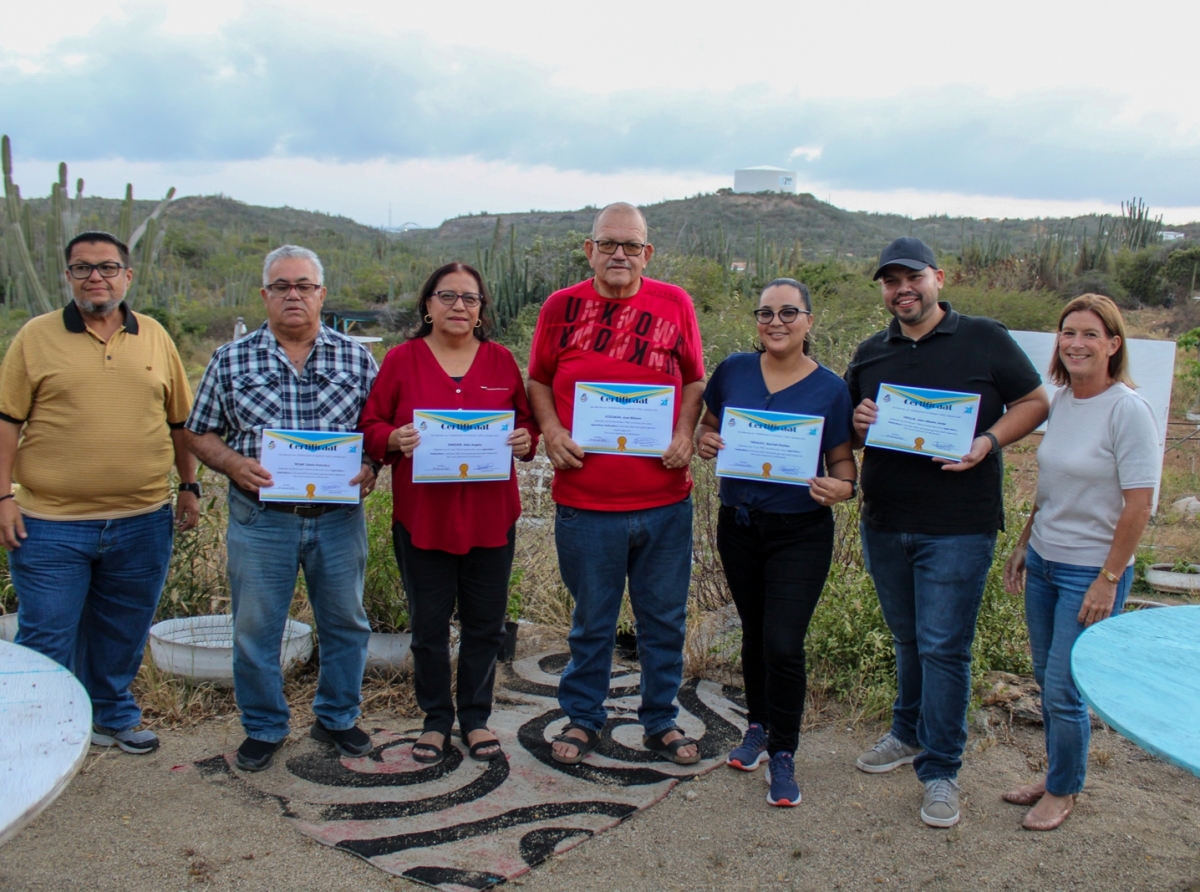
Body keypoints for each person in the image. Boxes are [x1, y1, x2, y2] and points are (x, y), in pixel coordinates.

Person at [845, 237, 1049, 827]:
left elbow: (1036, 402)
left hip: (958, 527)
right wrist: (858, 423)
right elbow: (854, 433)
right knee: (909, 640)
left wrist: (987, 441)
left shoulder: (985, 337)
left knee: (944, 648)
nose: (902, 289)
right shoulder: (870, 352)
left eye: (912, 277)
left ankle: (941, 770)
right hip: (885, 522)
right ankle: (907, 732)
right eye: (890, 281)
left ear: (938, 278)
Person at [0, 230, 198, 755]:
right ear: (68, 277)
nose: (96, 277)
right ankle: (39, 737)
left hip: (141, 519)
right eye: (83, 268)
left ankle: (110, 714)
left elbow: (180, 422)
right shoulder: (35, 337)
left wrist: (189, 486)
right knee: (47, 634)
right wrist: (2, 496)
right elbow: (6, 422)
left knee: (123, 629)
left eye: (108, 267)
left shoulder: (154, 336)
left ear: (127, 276)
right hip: (48, 523)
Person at [184, 245, 379, 772]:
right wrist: (231, 464)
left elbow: (377, 431)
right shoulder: (231, 359)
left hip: (337, 520)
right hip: (260, 518)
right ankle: (265, 727)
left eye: (304, 286)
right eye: (281, 286)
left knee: (346, 622)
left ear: (321, 294)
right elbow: (197, 432)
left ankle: (337, 716)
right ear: (265, 295)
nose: (293, 295)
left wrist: (373, 466)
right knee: (256, 629)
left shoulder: (357, 358)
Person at [527, 202, 705, 765]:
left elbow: (696, 379)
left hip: (664, 502)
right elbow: (538, 379)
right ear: (590, 249)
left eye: (631, 245)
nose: (620, 254)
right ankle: (583, 717)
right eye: (609, 244)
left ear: (647, 252)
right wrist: (551, 428)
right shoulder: (561, 307)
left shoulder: (674, 303)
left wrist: (683, 430)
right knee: (591, 620)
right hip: (586, 501)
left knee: (664, 620)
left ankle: (661, 719)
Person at [360, 262, 539, 765]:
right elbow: (371, 423)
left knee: (485, 626)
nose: (459, 306)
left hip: (490, 518)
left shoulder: (502, 361)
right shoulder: (402, 360)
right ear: (428, 305)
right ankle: (436, 720)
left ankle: (476, 719)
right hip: (424, 520)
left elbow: (525, 428)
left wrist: (527, 440)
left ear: (482, 310)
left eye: (470, 298)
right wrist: (391, 438)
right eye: (448, 296)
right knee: (429, 628)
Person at [696, 278, 856, 806]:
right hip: (738, 525)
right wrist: (705, 441)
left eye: (789, 313)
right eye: (766, 313)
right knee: (755, 634)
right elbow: (709, 428)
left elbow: (841, 463)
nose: (776, 323)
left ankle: (784, 752)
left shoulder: (830, 388)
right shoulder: (734, 371)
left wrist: (844, 487)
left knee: (784, 643)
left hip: (800, 531)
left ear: (809, 321)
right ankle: (758, 726)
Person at [1002, 294, 1156, 831]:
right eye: (1069, 332)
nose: (1077, 343)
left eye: (1091, 334)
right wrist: (1025, 542)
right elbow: (1052, 484)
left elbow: (1139, 504)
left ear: (1114, 344)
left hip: (1089, 571)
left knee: (1066, 688)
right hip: (1045, 560)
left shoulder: (1128, 410)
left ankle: (1064, 791)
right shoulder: (1063, 400)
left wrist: (1108, 579)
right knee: (1048, 680)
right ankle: (1057, 771)